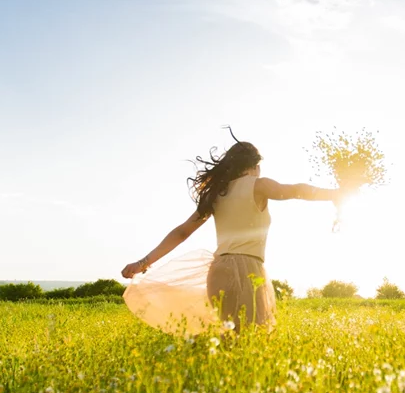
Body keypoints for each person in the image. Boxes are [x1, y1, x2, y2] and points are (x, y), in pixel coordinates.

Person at [121, 141, 344, 331]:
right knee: (252, 338)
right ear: (255, 166)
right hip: (247, 269)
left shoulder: (218, 193)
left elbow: (182, 232)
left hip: (218, 271)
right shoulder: (259, 185)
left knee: (228, 337)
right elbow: (296, 191)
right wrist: (334, 194)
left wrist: (143, 262)